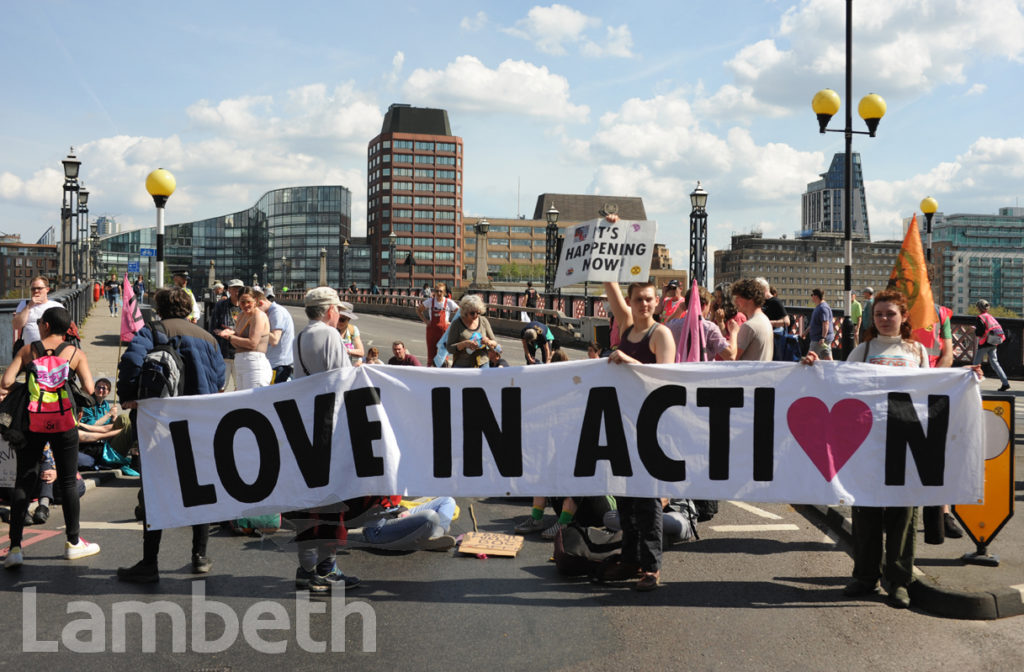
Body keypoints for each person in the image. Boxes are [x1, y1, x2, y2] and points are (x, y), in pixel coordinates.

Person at [799, 289, 981, 609]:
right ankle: (865, 576)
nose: (884, 319)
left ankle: (899, 581)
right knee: (866, 511)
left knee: (903, 515)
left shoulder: (917, 351)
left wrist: (965, 376)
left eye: (891, 314)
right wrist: (815, 365)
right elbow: (838, 383)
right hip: (868, 444)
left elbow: (933, 387)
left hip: (907, 442)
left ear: (903, 317)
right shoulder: (863, 349)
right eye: (879, 314)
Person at [115, 288, 226, 582]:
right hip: (198, 421)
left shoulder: (152, 331)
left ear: (159, 309)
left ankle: (149, 563)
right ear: (189, 309)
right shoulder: (209, 338)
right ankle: (199, 556)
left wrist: (127, 395)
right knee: (199, 488)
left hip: (160, 423)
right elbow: (219, 381)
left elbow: (131, 363)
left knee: (156, 489)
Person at [2, 306, 100, 569]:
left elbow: (6, 381)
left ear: (44, 325)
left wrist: (31, 387)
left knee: (24, 479)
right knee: (68, 481)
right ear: (67, 328)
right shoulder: (75, 353)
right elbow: (91, 389)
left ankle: (14, 548)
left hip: (33, 422)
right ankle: (73, 542)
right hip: (64, 423)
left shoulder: (28, 350)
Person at [596, 272, 676, 591]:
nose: (643, 303)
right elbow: (608, 282)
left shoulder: (661, 335)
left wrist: (629, 360)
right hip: (624, 423)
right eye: (638, 299)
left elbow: (664, 382)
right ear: (630, 302)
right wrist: (608, 231)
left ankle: (651, 567)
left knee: (648, 500)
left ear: (657, 302)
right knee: (625, 498)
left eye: (649, 298)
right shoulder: (627, 326)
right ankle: (630, 558)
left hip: (651, 427)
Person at [290, 287, 360, 593]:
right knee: (333, 499)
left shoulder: (301, 336)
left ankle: (305, 569)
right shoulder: (330, 336)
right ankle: (327, 569)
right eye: (337, 309)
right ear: (329, 309)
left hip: (306, 422)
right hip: (330, 423)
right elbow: (342, 381)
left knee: (309, 502)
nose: (339, 314)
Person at [217, 288, 272, 389]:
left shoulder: (258, 315)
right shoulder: (241, 315)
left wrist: (230, 336)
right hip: (241, 363)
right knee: (242, 402)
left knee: (253, 401)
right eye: (242, 302)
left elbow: (252, 343)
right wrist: (231, 335)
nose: (245, 305)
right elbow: (235, 344)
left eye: (248, 302)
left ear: (255, 301)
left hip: (255, 364)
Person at [666, 285, 729, 362]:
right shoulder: (710, 328)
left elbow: (666, 324)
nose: (709, 310)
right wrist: (734, 333)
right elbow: (730, 355)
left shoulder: (673, 325)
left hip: (680, 371)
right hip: (704, 372)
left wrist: (679, 310)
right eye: (709, 306)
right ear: (703, 307)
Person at [719, 278, 773, 361]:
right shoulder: (765, 320)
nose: (735, 301)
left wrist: (733, 333)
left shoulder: (749, 326)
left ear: (750, 299)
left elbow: (732, 357)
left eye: (738, 297)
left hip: (748, 373)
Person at [12, 276, 64, 353]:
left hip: (51, 351)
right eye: (33, 289)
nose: (36, 291)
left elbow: (63, 329)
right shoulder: (24, 304)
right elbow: (16, 325)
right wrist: (29, 305)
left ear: (47, 289)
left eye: (39, 288)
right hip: (30, 352)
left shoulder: (56, 306)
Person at [445, 294, 498, 368]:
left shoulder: (483, 321)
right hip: (462, 365)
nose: (476, 315)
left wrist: (488, 342)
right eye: (472, 313)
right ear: (465, 311)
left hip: (482, 364)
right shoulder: (457, 324)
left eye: (478, 313)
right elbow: (449, 348)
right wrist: (464, 344)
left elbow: (495, 343)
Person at [210, 278, 244, 390]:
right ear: (229, 290)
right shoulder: (221, 305)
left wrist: (231, 332)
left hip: (241, 352)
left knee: (239, 386)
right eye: (234, 288)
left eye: (239, 289)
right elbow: (214, 328)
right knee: (221, 385)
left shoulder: (246, 306)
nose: (237, 291)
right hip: (224, 353)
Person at [259, 289, 295, 384]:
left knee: (276, 397)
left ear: (260, 303)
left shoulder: (276, 312)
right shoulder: (271, 311)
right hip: (274, 363)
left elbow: (275, 339)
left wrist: (259, 326)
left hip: (279, 365)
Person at [973, 299, 1010, 391]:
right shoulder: (990, 317)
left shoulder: (980, 317)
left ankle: (972, 385)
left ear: (979, 308)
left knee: (975, 364)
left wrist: (974, 330)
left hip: (984, 343)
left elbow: (980, 333)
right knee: (995, 364)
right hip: (993, 342)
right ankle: (1005, 383)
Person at [418, 283, 458, 367]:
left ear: (444, 293)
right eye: (437, 291)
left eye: (441, 291)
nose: (439, 293)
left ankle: (443, 374)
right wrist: (426, 321)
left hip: (444, 332)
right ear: (434, 292)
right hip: (432, 332)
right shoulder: (430, 301)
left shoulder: (448, 302)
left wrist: (451, 323)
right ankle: (429, 374)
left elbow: (460, 313)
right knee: (431, 356)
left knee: (443, 356)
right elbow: (418, 310)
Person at [802, 288, 834, 360]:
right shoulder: (819, 307)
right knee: (827, 359)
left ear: (816, 296)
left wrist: (823, 338)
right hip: (821, 339)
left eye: (812, 295)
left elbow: (825, 323)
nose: (811, 297)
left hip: (818, 340)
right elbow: (814, 323)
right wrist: (805, 332)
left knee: (809, 358)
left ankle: (806, 371)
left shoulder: (823, 308)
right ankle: (832, 370)